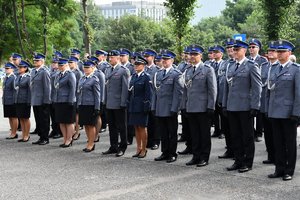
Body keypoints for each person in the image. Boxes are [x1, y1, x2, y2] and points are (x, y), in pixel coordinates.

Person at [223, 40, 262, 173]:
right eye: (233, 50)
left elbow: (257, 88)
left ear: (244, 50)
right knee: (235, 135)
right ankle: (238, 160)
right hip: (232, 106)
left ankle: (247, 162)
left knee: (247, 136)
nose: (234, 52)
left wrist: (255, 106)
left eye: (237, 50)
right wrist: (225, 105)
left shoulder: (251, 66)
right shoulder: (231, 66)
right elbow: (226, 88)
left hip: (245, 107)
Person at [266, 40, 300, 181]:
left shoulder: (296, 69)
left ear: (289, 53)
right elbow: (269, 92)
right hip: (274, 111)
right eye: (277, 51)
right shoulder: (273, 68)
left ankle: (289, 170)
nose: (279, 54)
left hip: (288, 113)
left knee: (290, 143)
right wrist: (268, 110)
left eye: (282, 51)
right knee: (277, 142)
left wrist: (296, 113)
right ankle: (279, 169)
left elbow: (298, 93)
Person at [182, 45, 217, 167]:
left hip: (203, 107)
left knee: (204, 134)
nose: (192, 57)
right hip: (191, 107)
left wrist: (211, 106)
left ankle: (204, 157)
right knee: (194, 134)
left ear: (201, 56)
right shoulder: (188, 70)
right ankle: (195, 156)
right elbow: (185, 90)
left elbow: (212, 90)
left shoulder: (207, 69)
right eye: (191, 55)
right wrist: (184, 106)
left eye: (195, 54)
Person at [152, 50, 183, 163]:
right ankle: (164, 152)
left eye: (167, 59)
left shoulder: (176, 74)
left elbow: (178, 93)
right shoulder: (158, 74)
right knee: (163, 132)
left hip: (170, 108)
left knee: (172, 133)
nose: (164, 61)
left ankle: (172, 153)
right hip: (160, 108)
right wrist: (153, 107)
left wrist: (175, 108)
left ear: (172, 60)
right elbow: (155, 92)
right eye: (163, 59)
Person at [102, 50, 130, 157]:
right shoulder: (108, 70)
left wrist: (123, 103)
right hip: (110, 103)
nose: (110, 59)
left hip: (119, 103)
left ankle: (122, 147)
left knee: (121, 126)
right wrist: (105, 101)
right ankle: (113, 146)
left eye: (112, 57)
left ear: (118, 58)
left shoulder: (123, 70)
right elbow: (106, 87)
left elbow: (125, 88)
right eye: (109, 57)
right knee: (112, 126)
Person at [128, 56, 152, 158]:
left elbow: (148, 94)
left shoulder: (146, 77)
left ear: (144, 65)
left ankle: (144, 149)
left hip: (142, 106)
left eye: (138, 65)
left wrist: (146, 106)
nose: (136, 66)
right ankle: (138, 148)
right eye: (135, 64)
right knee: (136, 127)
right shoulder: (133, 76)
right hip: (133, 105)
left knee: (142, 127)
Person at [260, 41, 279, 165]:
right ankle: (271, 156)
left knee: (277, 134)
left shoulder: (281, 66)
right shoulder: (264, 66)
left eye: (273, 51)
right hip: (264, 104)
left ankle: (279, 157)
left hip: (277, 105)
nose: (270, 53)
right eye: (269, 51)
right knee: (267, 132)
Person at [77, 60, 101, 152]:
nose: (86, 69)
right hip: (83, 104)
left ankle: (91, 143)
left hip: (91, 105)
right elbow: (79, 92)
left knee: (91, 125)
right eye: (85, 67)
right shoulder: (82, 78)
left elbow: (97, 95)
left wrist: (97, 107)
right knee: (86, 125)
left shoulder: (94, 79)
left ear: (92, 68)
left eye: (88, 67)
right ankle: (89, 142)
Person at [248, 38, 268, 142]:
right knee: (249, 113)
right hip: (248, 91)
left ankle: (259, 133)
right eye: (250, 47)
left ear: (258, 48)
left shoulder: (263, 60)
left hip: (259, 89)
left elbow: (263, 76)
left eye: (253, 47)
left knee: (259, 112)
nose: (251, 49)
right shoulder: (246, 60)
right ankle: (251, 132)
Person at [53, 58, 76, 148]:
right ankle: (65, 138)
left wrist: (70, 101)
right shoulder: (58, 74)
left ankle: (69, 139)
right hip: (59, 100)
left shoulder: (70, 74)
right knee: (61, 121)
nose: (59, 67)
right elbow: (56, 87)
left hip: (67, 101)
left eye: (61, 65)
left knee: (69, 121)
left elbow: (72, 88)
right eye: (59, 65)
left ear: (66, 65)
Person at [218, 38, 235, 159]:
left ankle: (239, 151)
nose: (230, 50)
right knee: (227, 128)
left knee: (237, 130)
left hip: (236, 101)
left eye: (232, 48)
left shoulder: (243, 63)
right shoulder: (224, 64)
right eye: (228, 48)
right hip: (224, 100)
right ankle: (230, 149)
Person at [31, 53, 51, 145]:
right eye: (34, 60)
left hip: (43, 100)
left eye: (37, 60)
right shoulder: (34, 71)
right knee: (38, 119)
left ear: (42, 61)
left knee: (44, 120)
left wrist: (46, 100)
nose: (35, 62)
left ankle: (45, 138)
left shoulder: (44, 72)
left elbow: (47, 88)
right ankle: (41, 137)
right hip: (36, 99)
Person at [143, 49, 161, 150]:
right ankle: (149, 141)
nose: (145, 58)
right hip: (145, 100)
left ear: (153, 57)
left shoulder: (157, 70)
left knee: (155, 122)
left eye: (147, 57)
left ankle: (156, 141)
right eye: (145, 57)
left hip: (154, 99)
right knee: (147, 122)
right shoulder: (143, 69)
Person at [177, 46, 192, 155]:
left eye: (188, 53)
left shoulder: (194, 67)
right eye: (185, 53)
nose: (187, 55)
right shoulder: (181, 65)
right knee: (186, 124)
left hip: (193, 101)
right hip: (183, 98)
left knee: (193, 127)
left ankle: (194, 147)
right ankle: (188, 145)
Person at [211, 45, 227, 139]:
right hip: (213, 92)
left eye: (216, 52)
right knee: (215, 113)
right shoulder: (210, 65)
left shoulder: (225, 64)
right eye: (213, 52)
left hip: (221, 92)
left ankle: (223, 131)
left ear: (221, 54)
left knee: (222, 114)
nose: (214, 54)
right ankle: (216, 130)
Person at [15, 60, 31, 142]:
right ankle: (23, 134)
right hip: (18, 100)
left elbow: (30, 90)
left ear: (25, 68)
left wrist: (29, 101)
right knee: (21, 118)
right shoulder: (18, 76)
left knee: (25, 118)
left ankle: (27, 135)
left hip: (25, 100)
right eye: (19, 67)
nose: (19, 68)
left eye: (21, 67)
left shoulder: (28, 78)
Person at [68, 56, 83, 140]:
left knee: (76, 116)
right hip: (70, 96)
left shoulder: (78, 73)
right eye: (69, 62)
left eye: (71, 62)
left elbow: (80, 86)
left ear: (76, 63)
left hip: (77, 96)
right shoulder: (68, 72)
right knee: (71, 116)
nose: (70, 64)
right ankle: (72, 131)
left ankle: (77, 132)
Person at [3, 62, 18, 139]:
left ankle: (14, 133)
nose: (6, 70)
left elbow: (15, 90)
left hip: (12, 100)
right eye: (5, 68)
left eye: (8, 68)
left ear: (12, 69)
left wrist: (14, 101)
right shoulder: (6, 77)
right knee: (9, 117)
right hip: (6, 100)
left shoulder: (13, 78)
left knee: (14, 117)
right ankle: (12, 132)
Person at [49, 57, 63, 139]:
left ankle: (58, 131)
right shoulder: (52, 72)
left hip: (56, 97)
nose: (53, 64)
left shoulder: (59, 73)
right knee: (52, 115)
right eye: (53, 63)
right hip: (51, 96)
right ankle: (54, 130)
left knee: (57, 116)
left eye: (55, 63)